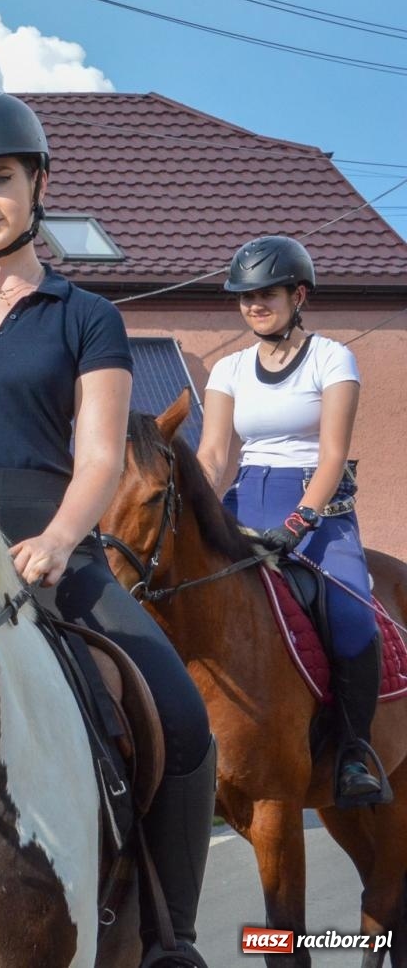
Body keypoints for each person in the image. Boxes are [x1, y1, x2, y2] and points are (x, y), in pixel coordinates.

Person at [0, 92, 215, 967]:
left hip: (55, 548)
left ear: (38, 184)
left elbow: (100, 458)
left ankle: (170, 937)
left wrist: (61, 540)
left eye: (0, 177)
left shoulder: (89, 317)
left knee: (185, 723)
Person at [198, 234, 384, 806]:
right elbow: (211, 455)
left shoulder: (332, 358)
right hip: (246, 499)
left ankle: (355, 750)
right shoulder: (228, 368)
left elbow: (332, 454)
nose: (254, 305)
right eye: (244, 297)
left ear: (298, 295)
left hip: (318, 506)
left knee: (352, 615)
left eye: (266, 295)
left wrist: (300, 522)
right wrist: (198, 509)